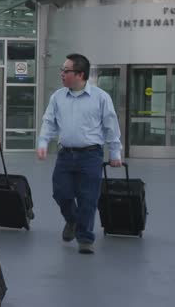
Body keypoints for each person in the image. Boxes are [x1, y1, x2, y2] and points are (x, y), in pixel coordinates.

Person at [37, 53, 122, 255]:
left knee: (88, 197)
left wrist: (115, 152)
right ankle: (72, 220)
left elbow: (111, 126)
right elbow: (49, 122)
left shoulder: (101, 97)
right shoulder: (57, 97)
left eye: (66, 71)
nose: (62, 74)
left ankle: (85, 238)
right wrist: (43, 142)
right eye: (62, 70)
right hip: (65, 155)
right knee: (61, 193)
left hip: (91, 155)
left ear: (80, 74)